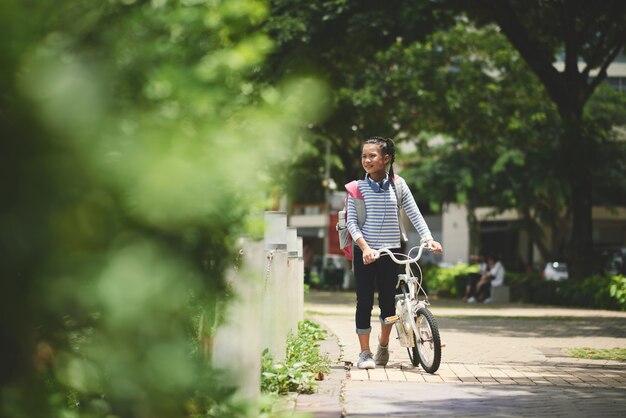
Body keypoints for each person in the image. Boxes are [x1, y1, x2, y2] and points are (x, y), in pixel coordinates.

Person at [346, 136, 443, 370]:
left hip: (392, 252)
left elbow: (415, 213)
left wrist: (428, 238)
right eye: (364, 156)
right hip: (366, 253)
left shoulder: (398, 185)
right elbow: (352, 223)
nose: (367, 160)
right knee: (364, 302)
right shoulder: (356, 188)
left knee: (388, 304)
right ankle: (364, 353)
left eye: (372, 156)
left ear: (386, 158)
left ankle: (383, 344)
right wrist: (366, 248)